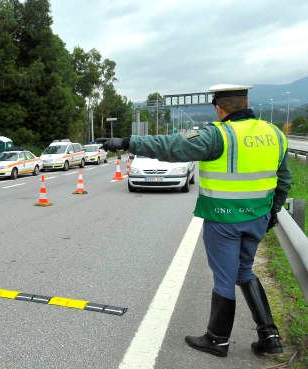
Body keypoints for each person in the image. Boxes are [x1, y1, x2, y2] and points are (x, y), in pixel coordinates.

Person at [104, 84, 291, 358]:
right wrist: (271, 212)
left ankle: (217, 340)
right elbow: (284, 180)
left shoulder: (216, 134)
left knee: (225, 279)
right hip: (258, 218)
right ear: (246, 103)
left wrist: (129, 142)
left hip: (223, 219)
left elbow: (174, 145)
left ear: (219, 107)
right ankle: (270, 337)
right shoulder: (274, 133)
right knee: (245, 272)